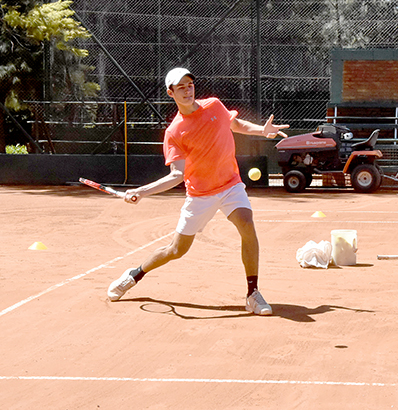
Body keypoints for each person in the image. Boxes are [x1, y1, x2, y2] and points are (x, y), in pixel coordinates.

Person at [107, 67, 289, 314]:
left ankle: (252, 293)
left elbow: (236, 125)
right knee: (176, 250)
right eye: (180, 87)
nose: (187, 90)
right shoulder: (174, 132)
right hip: (200, 195)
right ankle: (135, 274)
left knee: (247, 223)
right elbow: (177, 175)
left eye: (190, 84)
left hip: (230, 185)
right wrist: (143, 191)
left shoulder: (214, 105)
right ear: (170, 93)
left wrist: (262, 131)